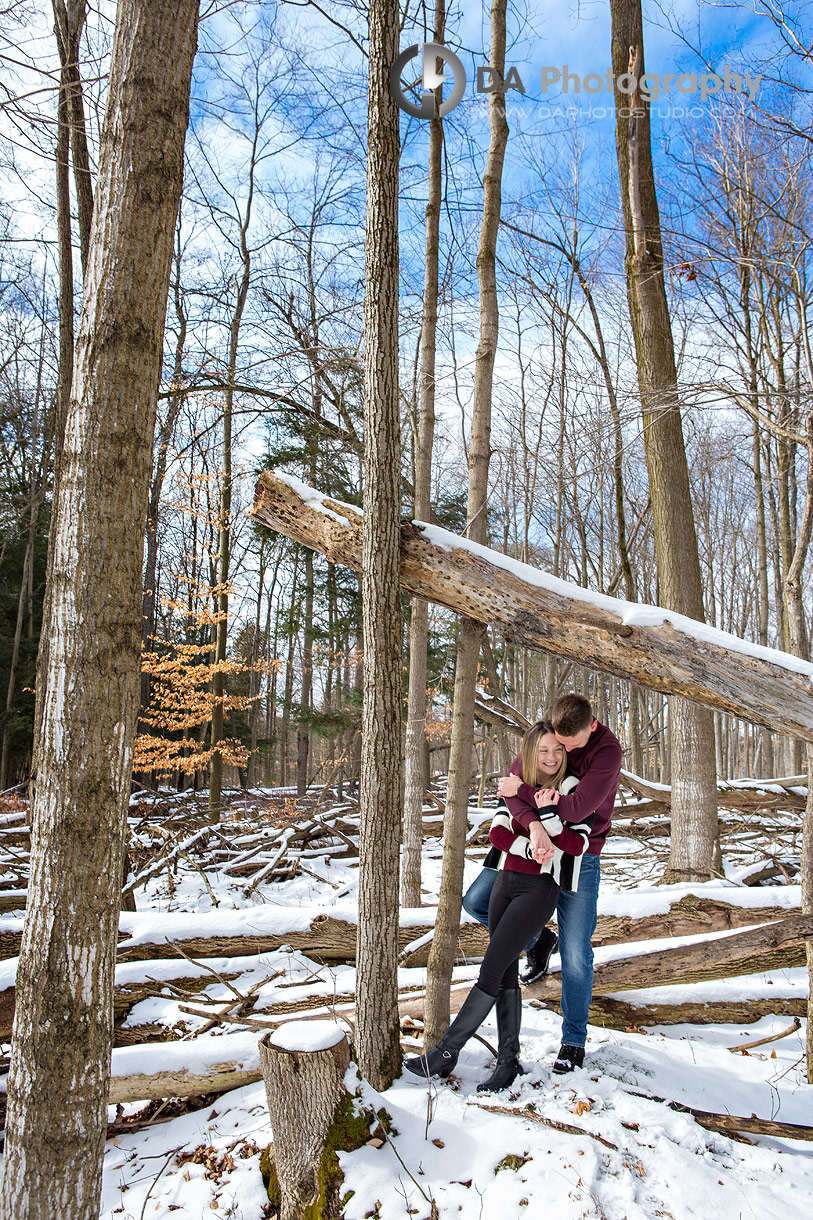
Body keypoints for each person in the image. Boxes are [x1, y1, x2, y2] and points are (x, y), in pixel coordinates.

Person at [404, 721, 594, 1092]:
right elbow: (498, 831)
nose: (551, 757)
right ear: (531, 752)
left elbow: (576, 844)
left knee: (490, 971)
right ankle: (508, 1061)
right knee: (505, 972)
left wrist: (548, 821)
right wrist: (532, 841)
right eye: (543, 751)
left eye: (557, 750)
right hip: (504, 883)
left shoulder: (571, 790)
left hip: (539, 890)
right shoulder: (516, 784)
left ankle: (445, 1054)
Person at [497, 693, 622, 1074]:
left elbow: (575, 809)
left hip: (581, 854)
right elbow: (508, 791)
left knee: (575, 951)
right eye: (556, 742)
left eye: (570, 745)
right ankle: (538, 940)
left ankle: (573, 1041)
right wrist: (533, 821)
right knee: (483, 905)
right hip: (538, 853)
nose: (561, 751)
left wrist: (521, 792)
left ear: (592, 727)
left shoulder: (607, 751)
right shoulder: (551, 736)